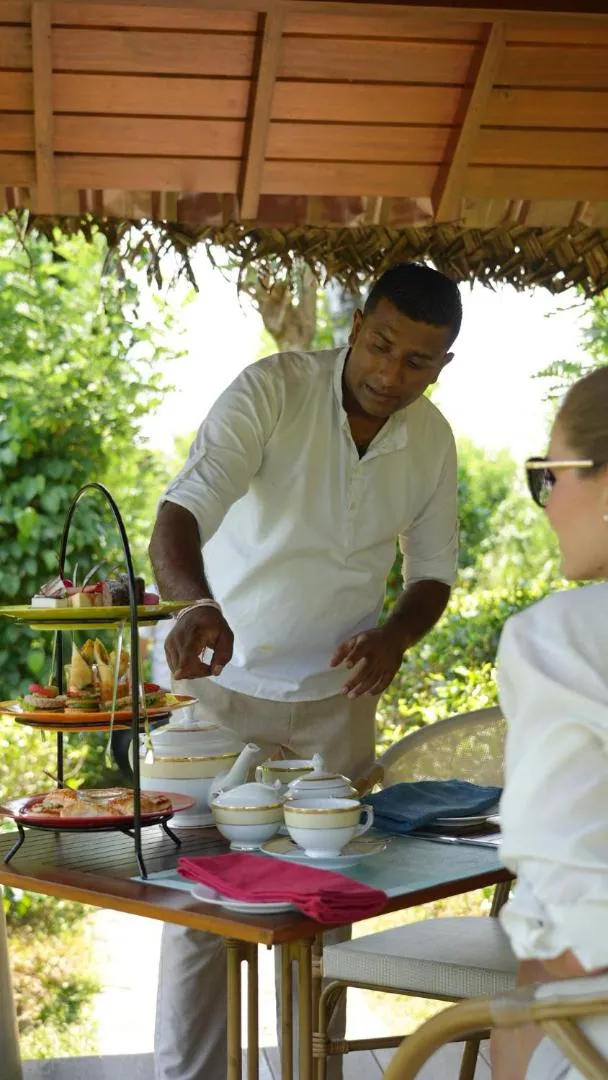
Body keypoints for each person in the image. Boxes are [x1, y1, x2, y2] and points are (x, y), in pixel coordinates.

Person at [148, 262, 463, 1080]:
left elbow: (432, 572)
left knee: (325, 905)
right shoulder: (273, 390)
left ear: (442, 366)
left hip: (336, 702)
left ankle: (310, 1072)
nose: (392, 373)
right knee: (200, 908)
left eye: (418, 361)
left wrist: (395, 636)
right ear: (356, 325)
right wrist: (194, 606)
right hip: (220, 689)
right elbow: (181, 512)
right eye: (382, 345)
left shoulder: (431, 439)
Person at [491, 365, 608, 1080]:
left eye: (551, 475)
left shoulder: (559, 639)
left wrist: (515, 1025)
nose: (548, 505)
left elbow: (574, 933)